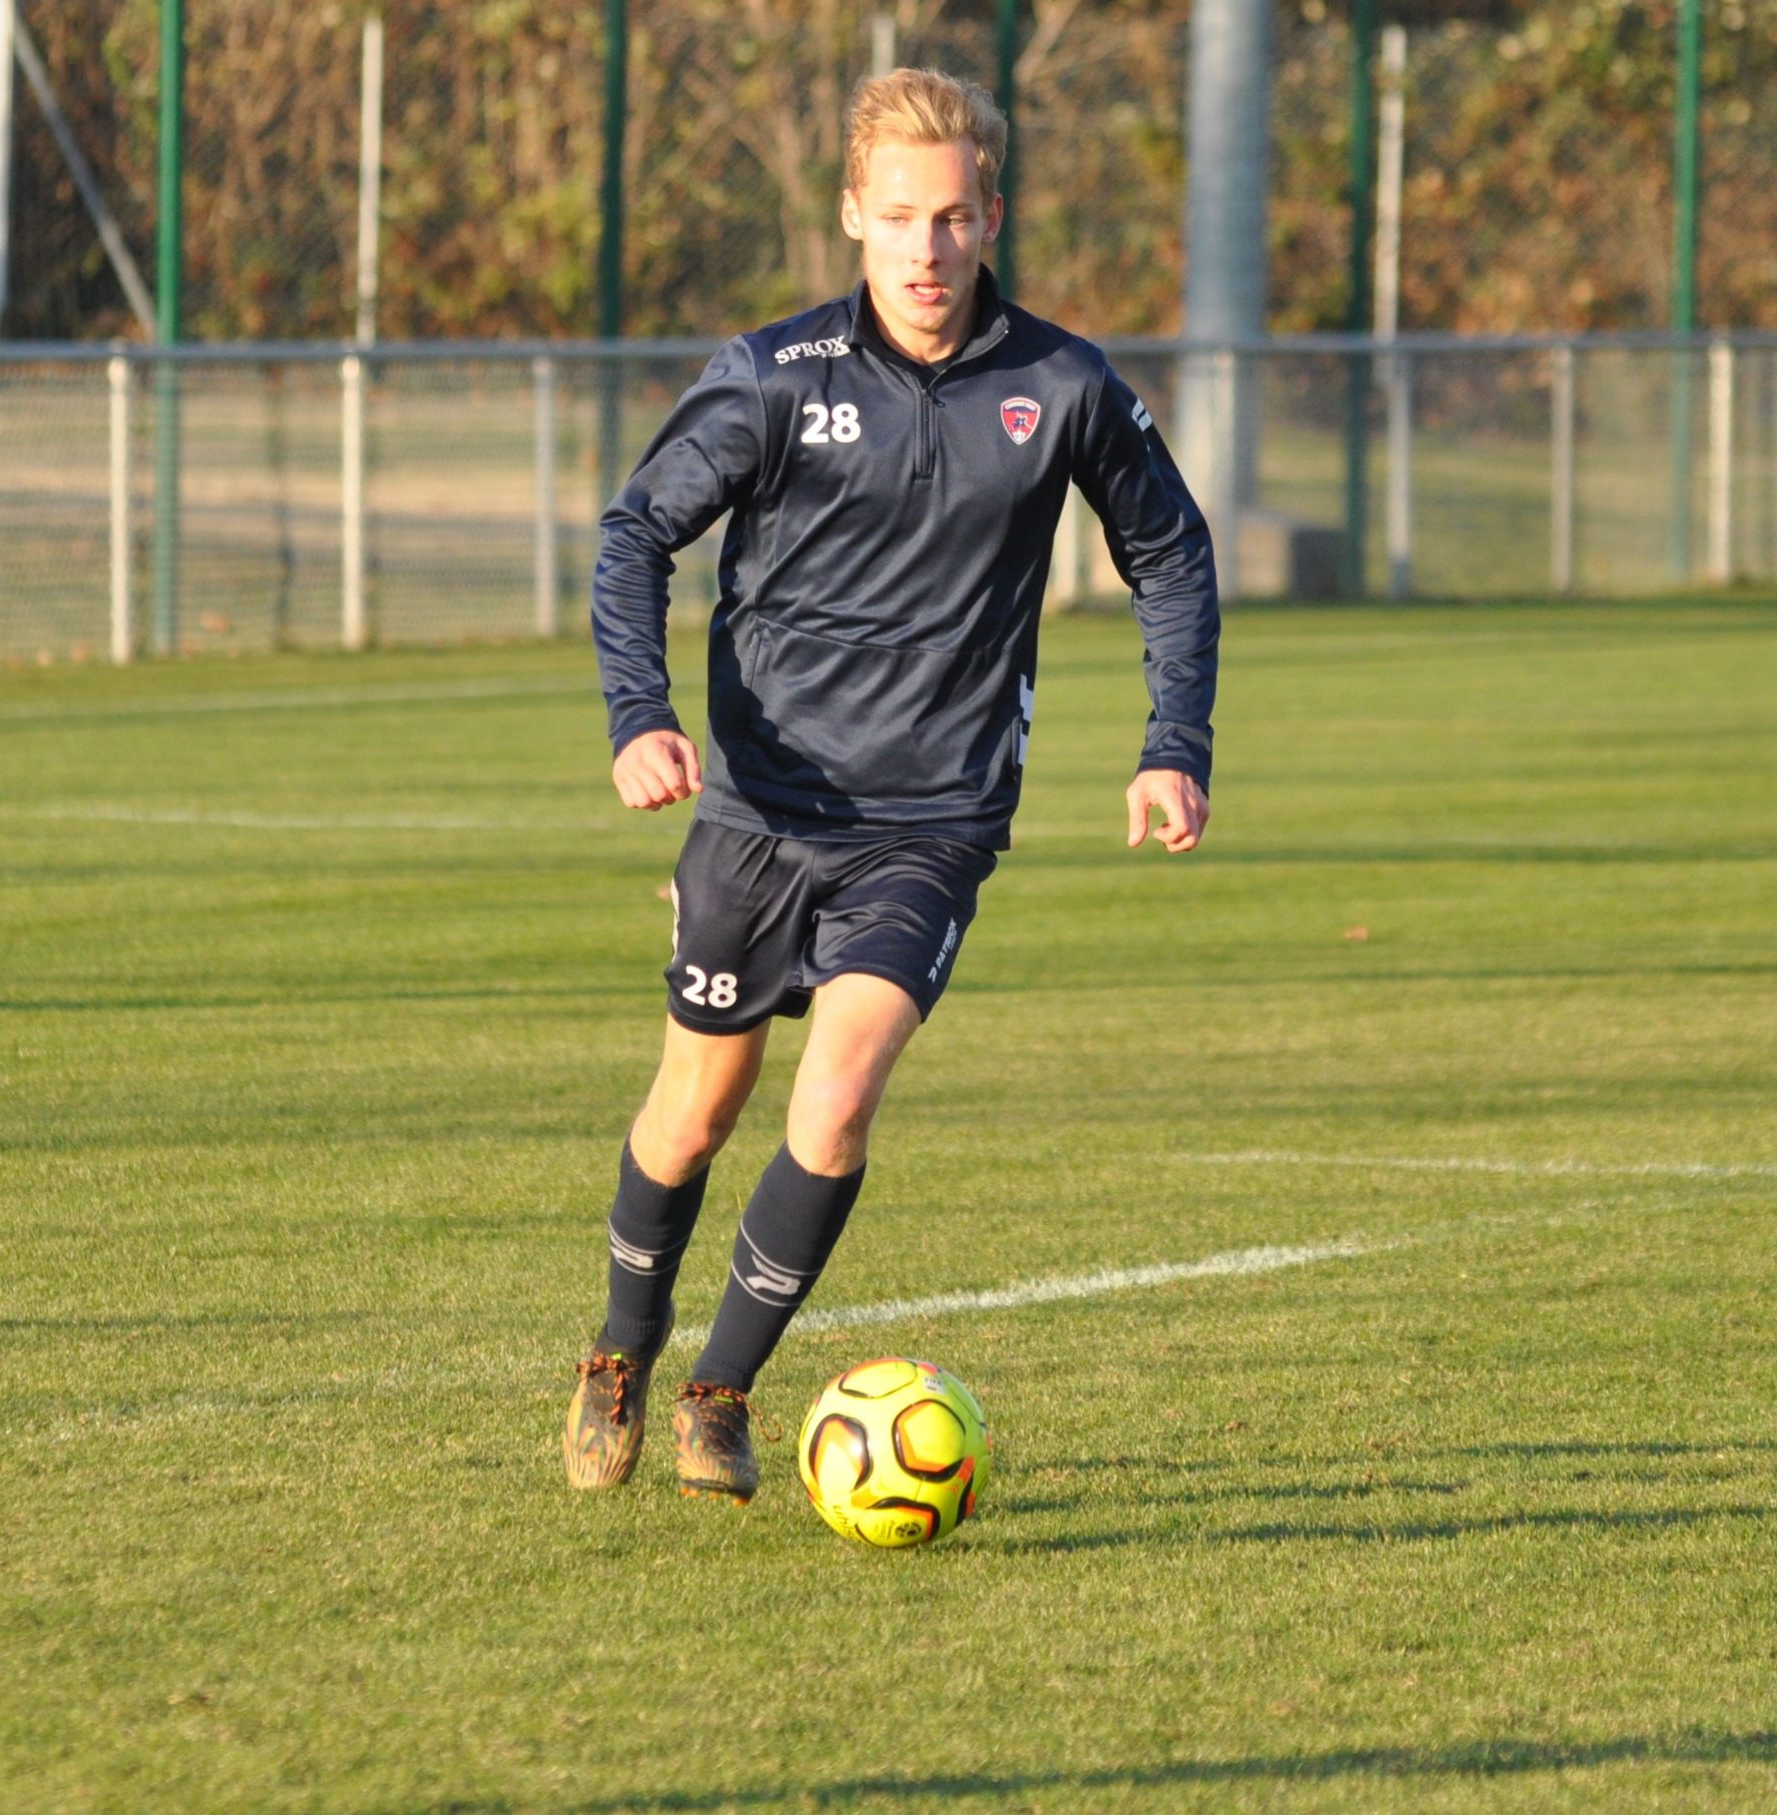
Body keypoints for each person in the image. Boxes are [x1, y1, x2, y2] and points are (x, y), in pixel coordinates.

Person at [564, 67, 1220, 1504]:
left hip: (930, 821)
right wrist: (639, 718)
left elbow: (1169, 551)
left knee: (841, 1092)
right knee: (692, 1113)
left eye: (955, 218)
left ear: (993, 219)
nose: (927, 248)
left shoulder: (1062, 385)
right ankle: (621, 1347)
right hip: (758, 812)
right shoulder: (772, 378)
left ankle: (717, 1395)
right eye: (900, 217)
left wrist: (1176, 742)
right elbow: (634, 538)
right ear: (853, 215)